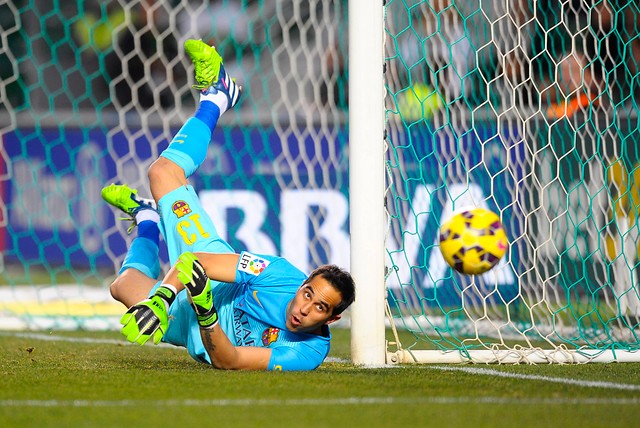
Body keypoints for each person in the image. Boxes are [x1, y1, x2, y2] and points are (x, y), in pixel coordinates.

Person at [102, 39, 355, 371]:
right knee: (163, 172)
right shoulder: (277, 275)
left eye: (320, 307)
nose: (305, 308)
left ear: (333, 318)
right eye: (308, 293)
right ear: (303, 283)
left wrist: (204, 312)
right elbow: (199, 261)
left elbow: (229, 360)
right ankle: (217, 95)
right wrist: (163, 299)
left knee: (121, 288)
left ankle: (148, 219)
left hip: (195, 325)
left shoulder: (309, 352)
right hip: (214, 280)